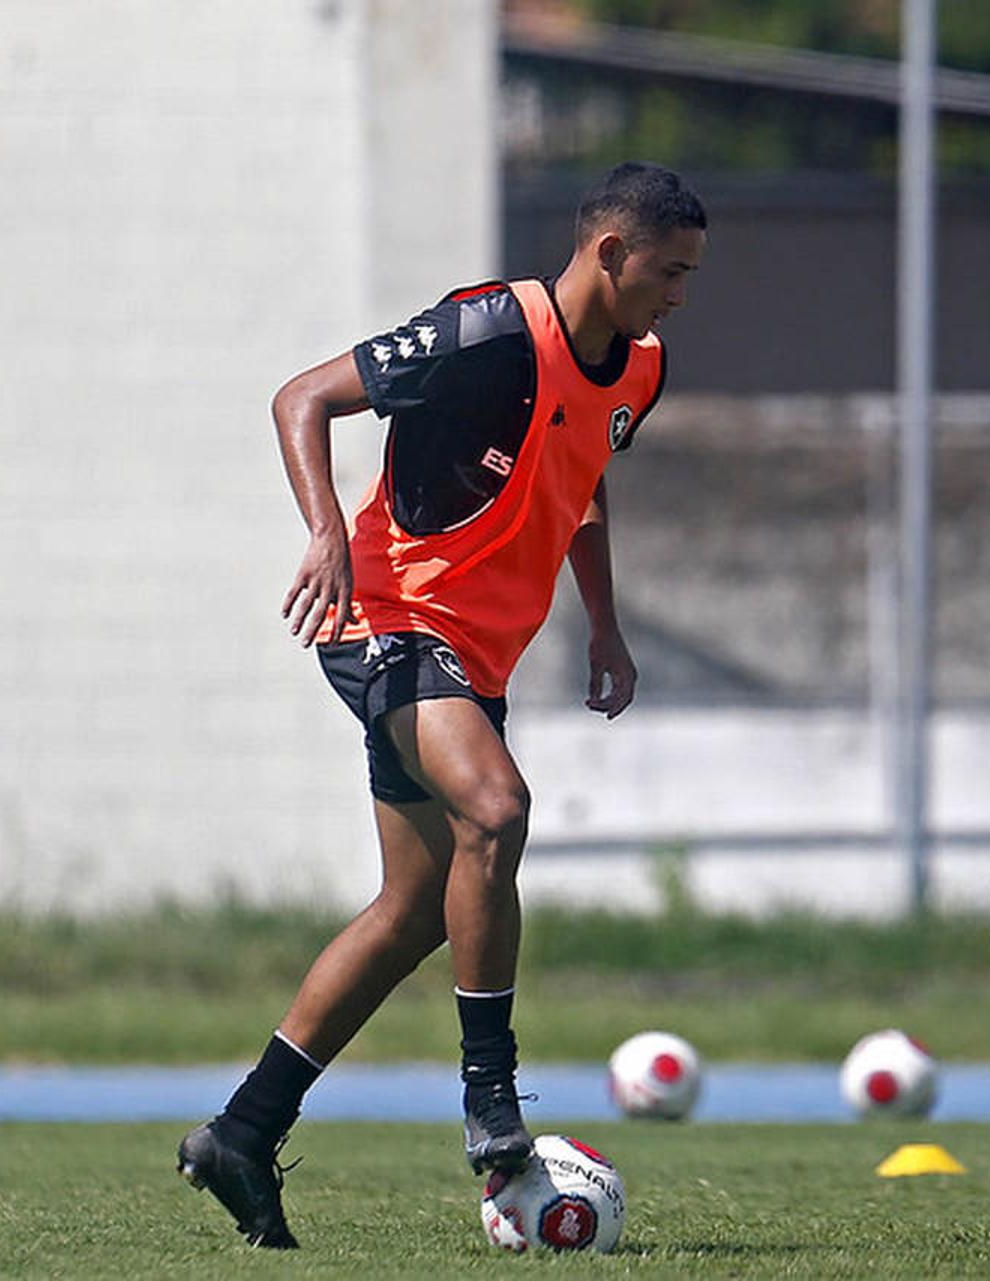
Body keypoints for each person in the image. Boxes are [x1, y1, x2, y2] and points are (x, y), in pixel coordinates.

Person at [176, 162, 707, 1249]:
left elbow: (583, 472)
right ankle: (491, 1101)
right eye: (669, 271)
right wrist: (327, 531)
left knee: (416, 909)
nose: (678, 295)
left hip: (475, 656)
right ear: (610, 252)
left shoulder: (640, 371)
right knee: (497, 809)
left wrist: (602, 621)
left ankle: (241, 1131)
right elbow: (303, 397)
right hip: (386, 618)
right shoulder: (485, 331)